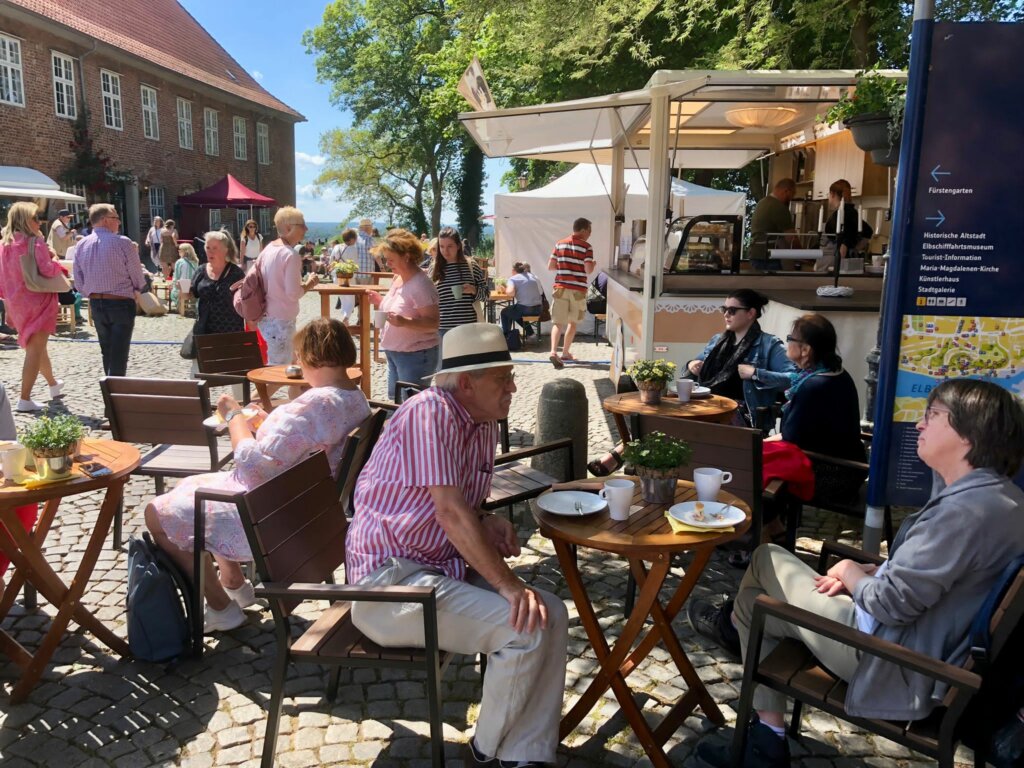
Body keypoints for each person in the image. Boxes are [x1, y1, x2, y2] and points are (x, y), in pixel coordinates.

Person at [689, 378, 1024, 768]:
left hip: (893, 662)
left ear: (969, 432)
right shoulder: (1003, 501)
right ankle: (767, 736)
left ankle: (734, 640)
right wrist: (881, 568)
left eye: (932, 415)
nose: (919, 424)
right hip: (923, 652)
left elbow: (890, 604)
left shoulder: (964, 512)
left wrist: (850, 571)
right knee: (751, 603)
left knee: (765, 556)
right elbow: (950, 580)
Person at [345, 322, 568, 767]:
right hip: (386, 586)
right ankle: (485, 753)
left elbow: (459, 507)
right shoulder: (430, 412)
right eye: (502, 378)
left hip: (434, 569)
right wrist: (508, 585)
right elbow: (448, 511)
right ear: (467, 383)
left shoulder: (481, 420)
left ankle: (523, 754)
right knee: (523, 628)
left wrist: (485, 519)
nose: (513, 387)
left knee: (554, 614)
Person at [145, 318, 370, 632]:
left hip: (274, 519)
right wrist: (265, 424)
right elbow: (299, 446)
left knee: (157, 513)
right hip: (310, 510)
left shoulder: (313, 405)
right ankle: (235, 584)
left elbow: (253, 467)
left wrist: (235, 416)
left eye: (298, 356)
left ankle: (222, 608)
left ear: (310, 357)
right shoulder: (354, 399)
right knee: (194, 485)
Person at [685, 288, 797, 431]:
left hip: (741, 415)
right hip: (708, 406)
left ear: (750, 313)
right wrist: (692, 364)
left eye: (732, 310)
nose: (726, 314)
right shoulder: (718, 340)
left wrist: (756, 373)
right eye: (724, 309)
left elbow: (793, 379)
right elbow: (694, 365)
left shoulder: (769, 344)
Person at [0, 202, 66, 411]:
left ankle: (53, 385)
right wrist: (55, 258)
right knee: (35, 348)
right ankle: (24, 398)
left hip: (16, 302)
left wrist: (8, 306)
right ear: (25, 220)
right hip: (39, 300)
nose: (40, 222)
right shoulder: (35, 243)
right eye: (36, 218)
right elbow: (47, 270)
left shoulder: (4, 245)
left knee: (36, 347)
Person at [73, 203, 148, 377]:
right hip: (120, 302)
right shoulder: (123, 242)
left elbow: (78, 279)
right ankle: (115, 394)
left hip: (96, 302)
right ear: (105, 220)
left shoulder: (81, 244)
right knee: (119, 354)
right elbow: (136, 273)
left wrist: (90, 292)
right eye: (115, 218)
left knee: (107, 351)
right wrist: (137, 289)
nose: (119, 222)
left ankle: (110, 390)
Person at [366, 228, 440, 400]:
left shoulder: (421, 285)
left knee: (410, 406)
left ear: (406, 256)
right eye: (386, 259)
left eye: (391, 259)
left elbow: (433, 323)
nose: (387, 263)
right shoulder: (398, 278)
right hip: (396, 352)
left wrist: (404, 321)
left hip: (415, 355)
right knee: (397, 401)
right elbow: (402, 305)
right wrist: (380, 301)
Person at [256, 206, 319, 366]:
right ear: (289, 228)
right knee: (279, 372)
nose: (306, 228)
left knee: (293, 368)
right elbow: (293, 293)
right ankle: (251, 394)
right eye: (302, 225)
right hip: (281, 322)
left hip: (267, 317)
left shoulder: (268, 249)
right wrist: (309, 283)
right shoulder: (290, 255)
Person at [547, 217, 595, 368]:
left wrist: (564, 267)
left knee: (557, 322)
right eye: (589, 231)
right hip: (578, 289)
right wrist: (592, 264)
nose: (590, 234)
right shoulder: (587, 247)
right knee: (572, 323)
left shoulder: (559, 244)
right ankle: (566, 353)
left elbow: (550, 266)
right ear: (583, 230)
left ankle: (553, 352)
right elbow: (588, 270)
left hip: (560, 287)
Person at [430, 226, 486, 338]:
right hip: (442, 329)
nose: (445, 251)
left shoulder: (471, 265)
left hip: (468, 328)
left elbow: (486, 295)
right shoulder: (434, 268)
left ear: (458, 246)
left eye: (450, 246)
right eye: (441, 247)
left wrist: (474, 290)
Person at [191, 230, 245, 338]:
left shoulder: (236, 273)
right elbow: (193, 294)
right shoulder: (201, 270)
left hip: (230, 332)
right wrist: (182, 292)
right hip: (204, 332)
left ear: (226, 250)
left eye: (215, 248)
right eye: (208, 248)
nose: (210, 252)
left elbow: (245, 301)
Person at [822, 179, 873, 268]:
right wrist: (855, 248)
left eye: (828, 195)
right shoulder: (853, 212)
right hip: (846, 262)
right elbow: (868, 231)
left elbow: (845, 240)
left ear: (832, 194)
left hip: (832, 261)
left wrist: (845, 248)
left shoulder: (838, 215)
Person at [749, 178, 796, 271]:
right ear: (786, 191)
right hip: (770, 256)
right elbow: (791, 238)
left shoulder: (762, 203)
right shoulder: (779, 207)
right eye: (792, 194)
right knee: (775, 284)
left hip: (755, 253)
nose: (791, 198)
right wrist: (805, 254)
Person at [500, 261, 543, 339]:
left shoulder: (513, 278)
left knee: (505, 312)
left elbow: (511, 293)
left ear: (514, 271)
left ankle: (506, 337)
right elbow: (541, 292)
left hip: (525, 309)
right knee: (515, 312)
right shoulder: (533, 276)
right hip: (539, 309)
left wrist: (505, 289)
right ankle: (531, 334)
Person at [170, 243, 200, 308]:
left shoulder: (180, 262)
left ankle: (180, 305)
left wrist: (173, 284)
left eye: (180, 250)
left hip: (183, 288)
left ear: (185, 251)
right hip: (193, 288)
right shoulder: (196, 261)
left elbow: (176, 276)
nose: (178, 251)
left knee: (174, 289)